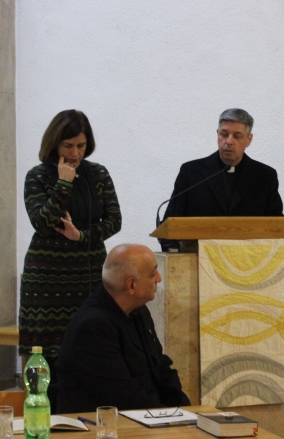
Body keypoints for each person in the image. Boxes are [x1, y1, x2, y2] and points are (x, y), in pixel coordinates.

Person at [18, 110, 122, 379]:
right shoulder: (37, 176)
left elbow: (115, 221)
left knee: (91, 346)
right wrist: (63, 183)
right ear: (54, 143)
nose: (75, 153)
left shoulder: (98, 174)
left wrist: (82, 236)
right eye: (68, 145)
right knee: (47, 358)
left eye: (81, 146)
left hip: (89, 273)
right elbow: (42, 222)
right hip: (47, 279)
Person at [57, 244, 190, 413]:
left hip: (143, 415)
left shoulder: (139, 311)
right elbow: (123, 396)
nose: (159, 278)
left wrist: (186, 410)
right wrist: (169, 417)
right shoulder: (93, 327)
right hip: (101, 424)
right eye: (152, 274)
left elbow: (160, 368)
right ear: (131, 285)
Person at [159, 108, 283, 251]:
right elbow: (170, 223)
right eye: (224, 134)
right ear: (217, 134)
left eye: (237, 136)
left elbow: (276, 225)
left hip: (249, 258)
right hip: (197, 258)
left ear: (249, 140)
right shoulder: (191, 172)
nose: (229, 141)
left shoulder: (265, 176)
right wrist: (174, 254)